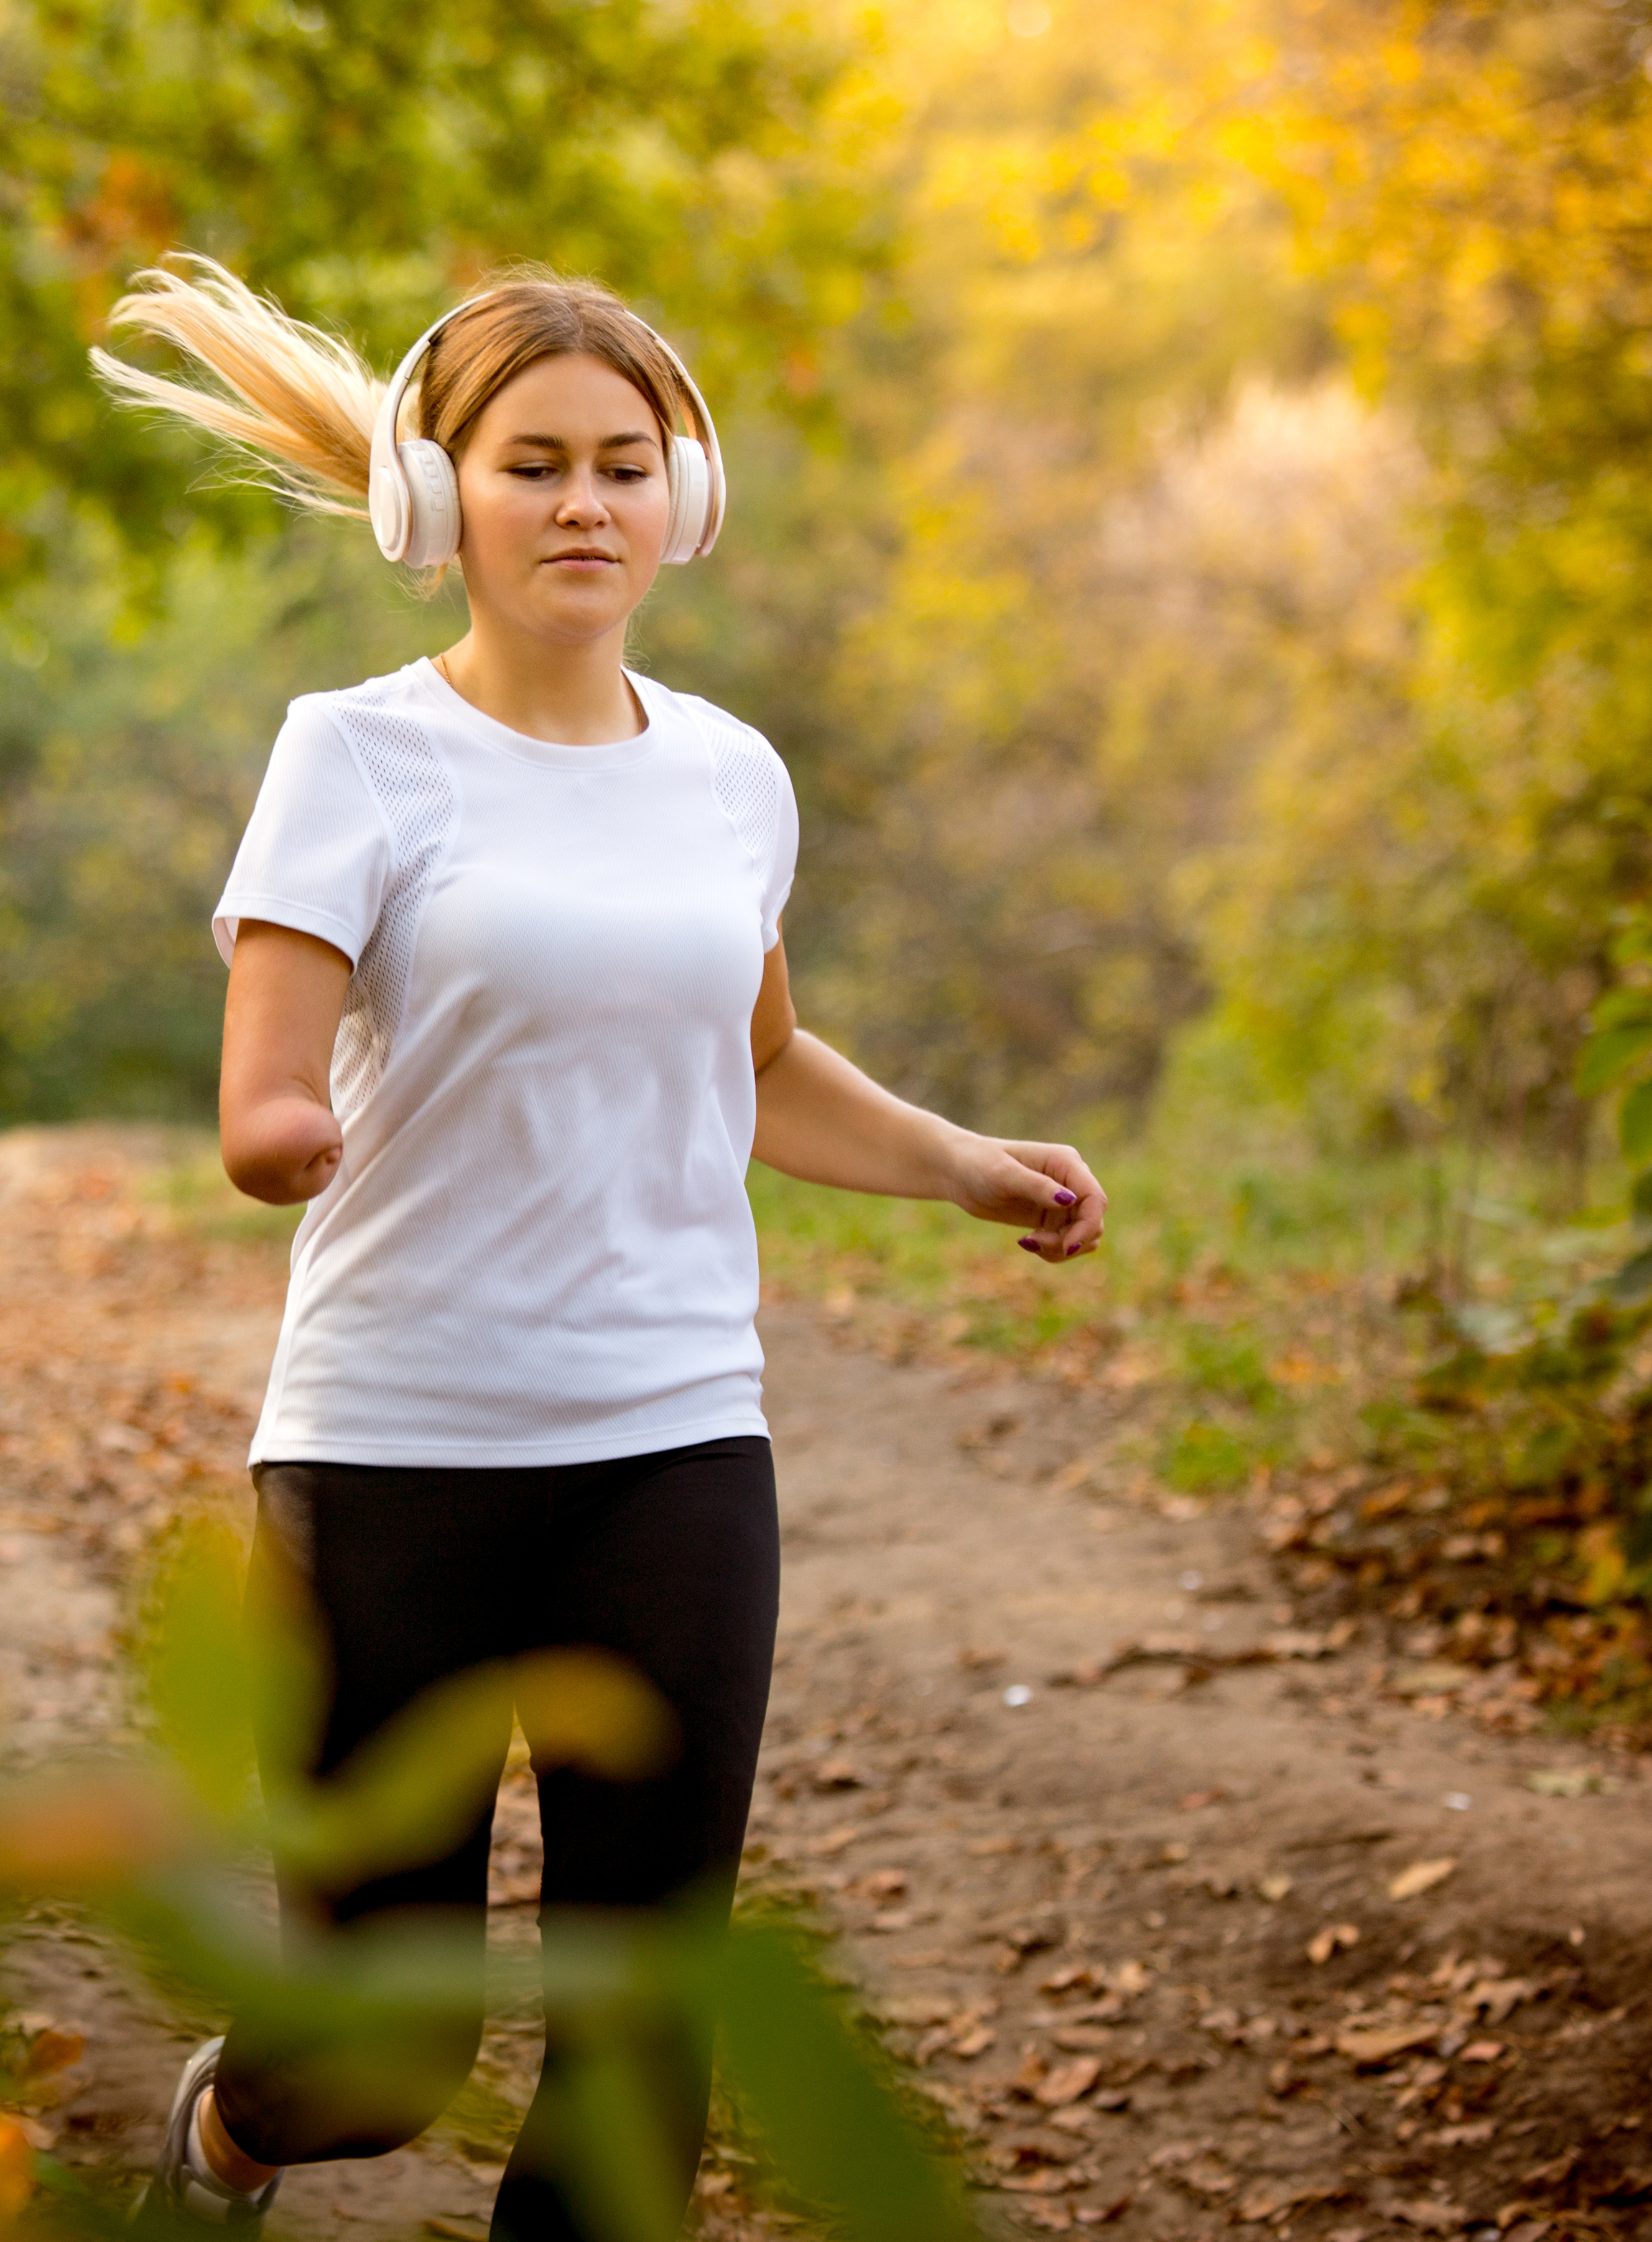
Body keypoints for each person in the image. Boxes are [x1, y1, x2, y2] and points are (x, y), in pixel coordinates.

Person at [91, 258, 1107, 2240]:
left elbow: (766, 1061)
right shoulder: (353, 754)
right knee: (384, 2054)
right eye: (533, 464)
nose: (581, 504)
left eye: (622, 466)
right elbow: (264, 1086)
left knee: (644, 2025)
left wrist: (964, 1163)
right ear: (431, 499)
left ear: (684, 500)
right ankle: (230, 2135)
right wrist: (283, 1134)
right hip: (393, 1453)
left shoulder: (732, 777)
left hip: (671, 1444)